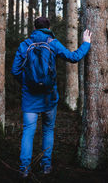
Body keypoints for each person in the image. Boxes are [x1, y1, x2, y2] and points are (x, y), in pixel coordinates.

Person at [11, 17, 92, 178]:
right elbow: (73, 57)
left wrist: (27, 84)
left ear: (34, 28)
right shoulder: (52, 43)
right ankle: (46, 165)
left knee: (28, 131)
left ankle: (24, 169)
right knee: (48, 129)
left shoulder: (25, 45)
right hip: (49, 97)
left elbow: (15, 71)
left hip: (29, 98)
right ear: (49, 27)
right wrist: (86, 43)